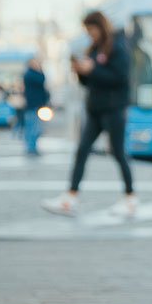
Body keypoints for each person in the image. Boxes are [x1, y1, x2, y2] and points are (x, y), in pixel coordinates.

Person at [42, 11, 137, 218]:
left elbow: (120, 77)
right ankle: (70, 197)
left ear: (100, 26)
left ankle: (130, 198)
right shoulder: (94, 48)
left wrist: (93, 70)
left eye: (91, 29)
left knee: (118, 153)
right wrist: (81, 71)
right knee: (82, 150)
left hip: (114, 109)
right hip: (95, 109)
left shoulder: (118, 46)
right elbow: (90, 81)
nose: (89, 34)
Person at [21, 58, 49, 156]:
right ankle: (31, 148)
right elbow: (42, 79)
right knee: (34, 128)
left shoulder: (29, 74)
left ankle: (31, 147)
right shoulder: (31, 75)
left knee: (32, 127)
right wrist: (41, 70)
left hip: (34, 105)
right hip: (33, 105)